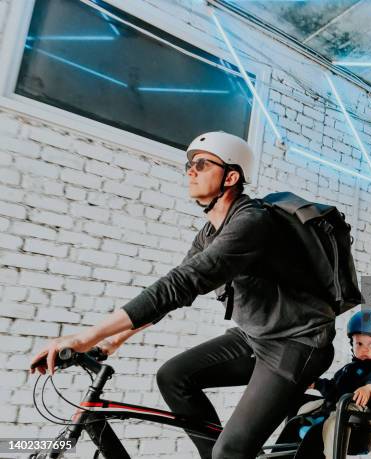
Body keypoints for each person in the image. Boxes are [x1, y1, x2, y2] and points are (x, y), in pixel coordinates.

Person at [30, 131, 336, 459]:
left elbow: (181, 284)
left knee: (230, 453)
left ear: (231, 176)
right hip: (256, 335)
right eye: (189, 164)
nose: (191, 170)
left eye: (202, 164)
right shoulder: (209, 233)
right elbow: (173, 291)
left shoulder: (253, 223)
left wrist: (84, 338)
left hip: (299, 342)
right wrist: (118, 338)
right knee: (174, 377)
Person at [298, 310, 371, 459]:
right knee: (304, 407)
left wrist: (369, 389)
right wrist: (316, 384)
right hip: (337, 405)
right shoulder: (348, 369)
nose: (365, 348)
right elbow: (333, 387)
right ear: (352, 344)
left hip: (356, 414)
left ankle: (329, 449)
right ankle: (314, 421)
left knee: (338, 413)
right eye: (359, 343)